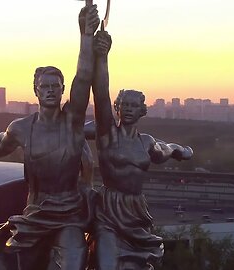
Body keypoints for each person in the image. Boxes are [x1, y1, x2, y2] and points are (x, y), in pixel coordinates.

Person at [0, 6, 100, 270]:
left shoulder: (72, 121)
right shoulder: (21, 128)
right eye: (44, 87)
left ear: (62, 91)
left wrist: (86, 36)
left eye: (55, 87)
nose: (50, 91)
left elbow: (83, 77)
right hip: (35, 213)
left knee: (73, 262)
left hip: (70, 213)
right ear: (35, 91)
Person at [90, 31, 193, 270]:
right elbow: (101, 92)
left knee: (137, 266)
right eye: (124, 105)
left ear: (142, 111)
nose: (128, 109)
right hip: (108, 208)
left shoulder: (146, 142)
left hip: (136, 210)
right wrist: (102, 57)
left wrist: (182, 151)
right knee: (106, 264)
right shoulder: (106, 134)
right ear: (116, 108)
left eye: (133, 106)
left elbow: (166, 150)